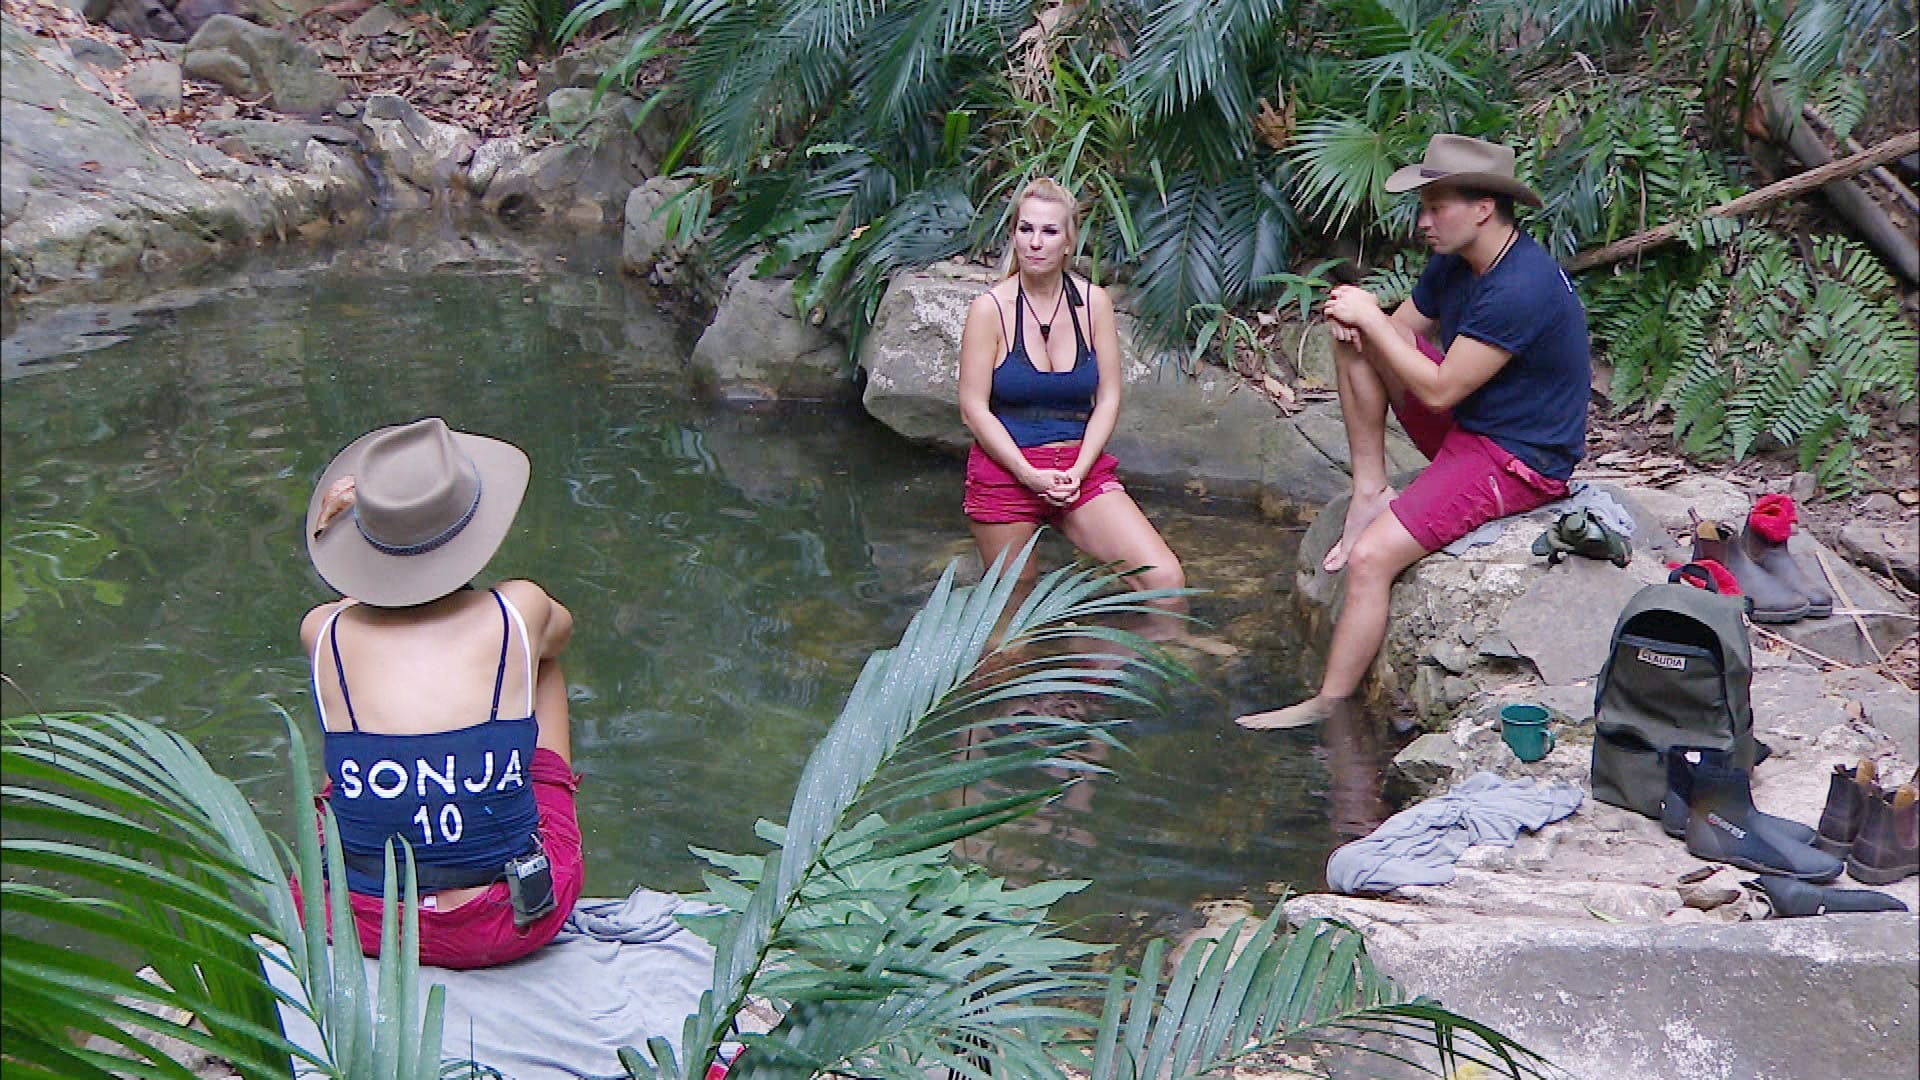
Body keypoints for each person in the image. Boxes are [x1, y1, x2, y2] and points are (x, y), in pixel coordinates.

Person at [1238, 135, 1589, 730]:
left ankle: (1330, 704)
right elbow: (1396, 335)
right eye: (1422, 207)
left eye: (1436, 206)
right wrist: (1367, 324)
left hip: (1516, 460)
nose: (1423, 222)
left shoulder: (1520, 286)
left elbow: (1438, 390)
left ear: (1484, 208)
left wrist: (1373, 317)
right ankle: (1370, 490)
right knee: (1353, 335)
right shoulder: (1457, 261)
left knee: (1372, 558)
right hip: (1471, 423)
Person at [300, 417, 583, 969]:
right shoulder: (519, 611)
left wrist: (329, 528)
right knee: (541, 664)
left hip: (364, 924)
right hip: (506, 920)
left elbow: (347, 600)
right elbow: (562, 633)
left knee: (351, 719)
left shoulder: (322, 632)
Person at [958, 177, 1186, 613]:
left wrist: (1079, 471)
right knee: (1014, 610)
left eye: (1049, 231)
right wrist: (1028, 474)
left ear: (1069, 241)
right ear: (1013, 235)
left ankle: (1116, 673)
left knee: (1165, 583)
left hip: (1077, 468)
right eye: (1025, 229)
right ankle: (1026, 674)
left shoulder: (1094, 302)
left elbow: (1109, 398)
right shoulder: (990, 309)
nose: (1035, 243)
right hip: (1007, 470)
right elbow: (973, 409)